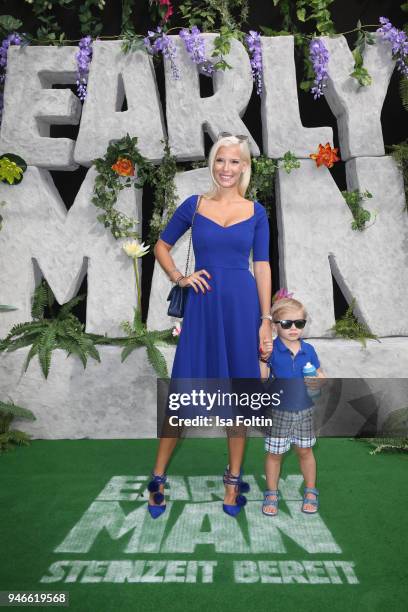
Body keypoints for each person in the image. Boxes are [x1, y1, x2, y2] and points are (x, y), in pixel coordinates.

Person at [148, 133, 273, 518]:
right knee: (182, 397)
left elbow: (262, 265)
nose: (226, 168)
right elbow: (161, 245)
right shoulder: (194, 205)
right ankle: (157, 478)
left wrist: (265, 320)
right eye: (221, 160)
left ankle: (233, 482)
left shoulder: (256, 212)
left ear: (245, 167)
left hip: (242, 307)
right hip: (202, 309)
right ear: (212, 164)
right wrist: (179, 277)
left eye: (235, 161)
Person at [260, 296, 326, 516]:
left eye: (299, 323)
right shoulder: (271, 351)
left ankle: (310, 490)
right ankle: (271, 493)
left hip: (305, 410)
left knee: (305, 451)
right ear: (275, 325)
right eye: (287, 324)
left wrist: (319, 378)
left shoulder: (309, 350)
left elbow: (319, 373)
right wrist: (262, 358)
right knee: (274, 454)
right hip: (278, 411)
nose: (294, 328)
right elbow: (261, 378)